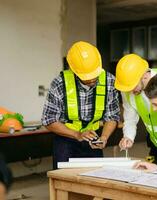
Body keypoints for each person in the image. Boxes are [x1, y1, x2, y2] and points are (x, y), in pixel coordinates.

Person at [42, 41, 120, 169]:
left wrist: (104, 137)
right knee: (64, 181)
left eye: (94, 75)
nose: (92, 80)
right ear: (74, 70)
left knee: (94, 181)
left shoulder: (109, 81)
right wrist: (77, 134)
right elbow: (48, 120)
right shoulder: (59, 83)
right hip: (65, 140)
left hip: (93, 138)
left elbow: (112, 116)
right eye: (87, 77)